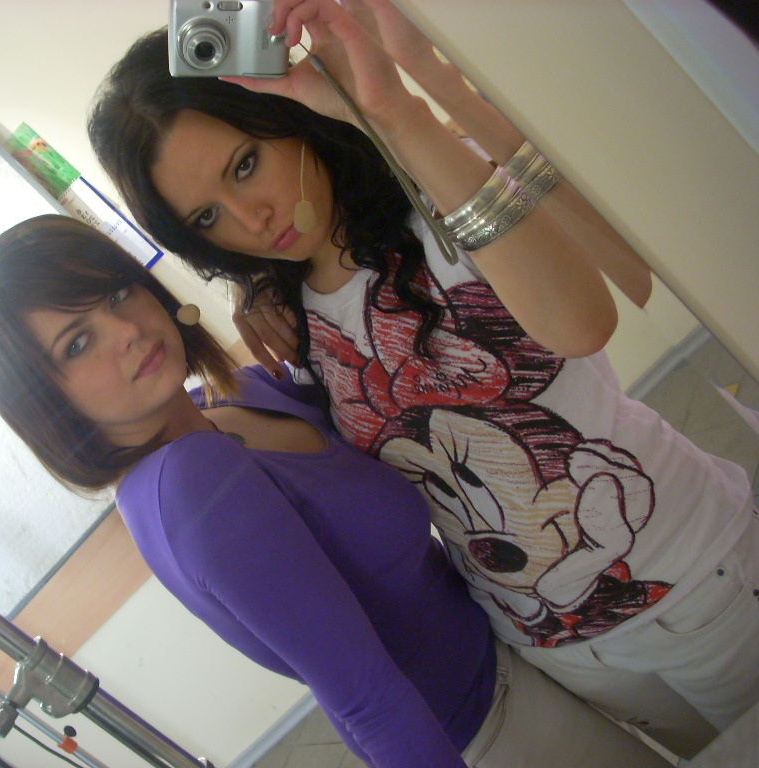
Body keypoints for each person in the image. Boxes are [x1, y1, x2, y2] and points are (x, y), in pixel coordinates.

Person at [85, 0, 759, 759]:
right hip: (554, 648)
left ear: (283, 117)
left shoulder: (442, 196)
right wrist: (257, 289)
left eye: (246, 164)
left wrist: (388, 108)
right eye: (208, 218)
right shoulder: (291, 321)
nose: (253, 216)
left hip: (699, 576)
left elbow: (587, 319)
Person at [0, 214, 671, 768]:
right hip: (487, 724)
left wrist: (259, 287)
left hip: (519, 637)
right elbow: (363, 698)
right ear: (44, 402)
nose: (125, 329)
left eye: (117, 293)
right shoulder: (191, 483)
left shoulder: (226, 402)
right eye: (77, 343)